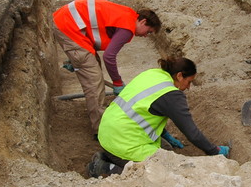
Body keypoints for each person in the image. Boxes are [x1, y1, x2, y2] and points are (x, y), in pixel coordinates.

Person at [88, 57, 231, 177]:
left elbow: (143, 109)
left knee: (166, 149)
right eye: (189, 82)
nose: (188, 87)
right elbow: (192, 133)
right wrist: (215, 151)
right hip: (123, 140)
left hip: (110, 130)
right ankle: (105, 168)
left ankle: (109, 156)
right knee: (161, 171)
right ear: (180, 76)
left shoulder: (153, 74)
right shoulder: (172, 95)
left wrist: (166, 135)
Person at [53, 0, 162, 137]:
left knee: (92, 68)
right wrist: (117, 82)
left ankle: (97, 114)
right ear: (143, 21)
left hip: (67, 21)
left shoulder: (127, 16)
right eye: (149, 31)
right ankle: (101, 131)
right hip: (68, 24)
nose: (146, 36)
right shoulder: (127, 27)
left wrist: (75, 58)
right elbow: (109, 57)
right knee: (94, 82)